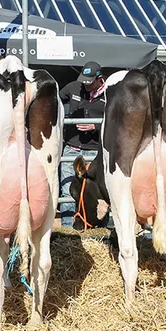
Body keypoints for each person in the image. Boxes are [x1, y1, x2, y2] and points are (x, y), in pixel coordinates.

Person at [58, 61, 107, 227]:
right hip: (72, 148)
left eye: (90, 81)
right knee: (67, 189)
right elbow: (55, 101)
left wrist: (96, 126)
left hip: (96, 152)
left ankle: (100, 228)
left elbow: (117, 120)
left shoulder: (110, 94)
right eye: (83, 80)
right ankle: (67, 230)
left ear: (100, 78)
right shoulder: (73, 88)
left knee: (98, 192)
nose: (85, 85)